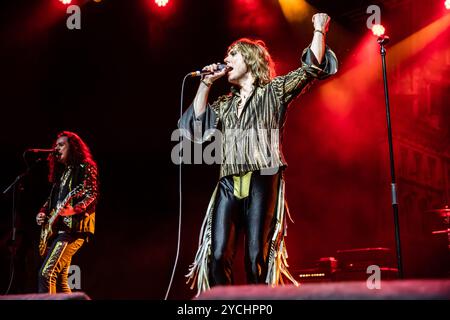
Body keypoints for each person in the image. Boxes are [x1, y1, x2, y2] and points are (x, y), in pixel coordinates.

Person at [179, 13, 338, 295]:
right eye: (226, 55)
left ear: (251, 61)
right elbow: (194, 129)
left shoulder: (273, 92)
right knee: (217, 257)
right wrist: (205, 83)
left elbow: (311, 69)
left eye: (233, 55)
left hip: (263, 175)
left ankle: (260, 304)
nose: (226, 59)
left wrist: (318, 31)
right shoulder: (224, 104)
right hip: (228, 182)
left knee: (256, 258)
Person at [35, 131, 98, 294]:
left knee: (46, 273)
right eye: (56, 145)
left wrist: (74, 209)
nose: (57, 148)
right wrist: (42, 213)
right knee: (63, 283)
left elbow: (92, 194)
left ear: (74, 148)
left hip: (74, 230)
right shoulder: (62, 173)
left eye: (61, 145)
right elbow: (52, 202)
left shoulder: (85, 166)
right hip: (61, 231)